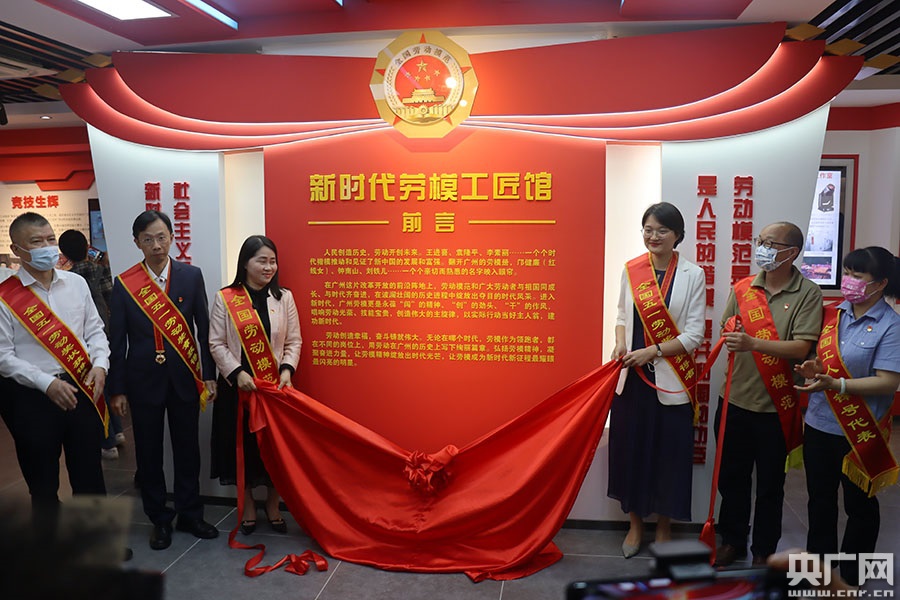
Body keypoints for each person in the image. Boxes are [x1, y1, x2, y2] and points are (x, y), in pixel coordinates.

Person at [714, 221, 823, 567]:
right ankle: (732, 540)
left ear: (791, 253)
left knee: (771, 486)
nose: (761, 247)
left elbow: (802, 347)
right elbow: (727, 327)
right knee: (732, 479)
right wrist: (732, 331)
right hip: (734, 400)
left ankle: (763, 550)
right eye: (760, 240)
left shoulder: (808, 293)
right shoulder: (744, 287)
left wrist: (753, 343)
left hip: (775, 408)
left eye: (770, 243)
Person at [108, 210, 218, 550]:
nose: (156, 245)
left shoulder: (191, 276)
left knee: (188, 450)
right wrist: (117, 388)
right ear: (137, 243)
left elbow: (204, 330)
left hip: (184, 378)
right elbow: (116, 341)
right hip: (142, 381)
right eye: (148, 239)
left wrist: (208, 375)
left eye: (161, 237)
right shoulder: (125, 284)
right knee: (149, 453)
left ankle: (190, 513)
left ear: (172, 237)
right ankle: (159, 518)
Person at [795, 246, 900, 586]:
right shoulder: (832, 315)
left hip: (860, 430)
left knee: (860, 506)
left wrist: (838, 384)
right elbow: (825, 363)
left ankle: (854, 574)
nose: (849, 280)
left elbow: (888, 381)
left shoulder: (891, 326)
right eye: (847, 272)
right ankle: (818, 571)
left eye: (858, 275)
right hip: (820, 423)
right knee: (819, 500)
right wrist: (814, 369)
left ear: (880, 283)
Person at [608, 202, 706, 558]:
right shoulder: (632, 269)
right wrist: (620, 342)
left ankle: (664, 528)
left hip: (671, 380)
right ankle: (635, 526)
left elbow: (694, 334)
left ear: (677, 234)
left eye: (662, 230)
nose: (653, 236)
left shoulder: (693, 275)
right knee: (630, 451)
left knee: (669, 456)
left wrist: (653, 352)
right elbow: (621, 315)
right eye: (648, 229)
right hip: (632, 380)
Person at [0, 212, 109, 521]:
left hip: (81, 387)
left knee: (89, 472)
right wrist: (46, 383)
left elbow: (95, 331)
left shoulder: (76, 284)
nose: (47, 247)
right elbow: (3, 356)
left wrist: (100, 364)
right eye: (36, 242)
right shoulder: (5, 297)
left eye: (50, 239)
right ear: (17, 249)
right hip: (32, 397)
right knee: (42, 480)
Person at [209, 235, 301, 534]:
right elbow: (216, 343)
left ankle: (273, 504)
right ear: (245, 263)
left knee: (275, 450)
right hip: (238, 389)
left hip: (275, 388)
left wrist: (287, 370)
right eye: (262, 261)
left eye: (273, 261)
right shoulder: (226, 297)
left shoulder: (284, 297)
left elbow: (294, 341)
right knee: (242, 448)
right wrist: (236, 373)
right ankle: (248, 504)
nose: (269, 267)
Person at [58, 229, 125, 460]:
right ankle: (118, 432)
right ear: (87, 247)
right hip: (105, 335)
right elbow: (112, 300)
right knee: (109, 385)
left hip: (83, 342)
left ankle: (108, 441)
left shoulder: (67, 279)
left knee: (96, 391)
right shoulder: (101, 270)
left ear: (64, 253)